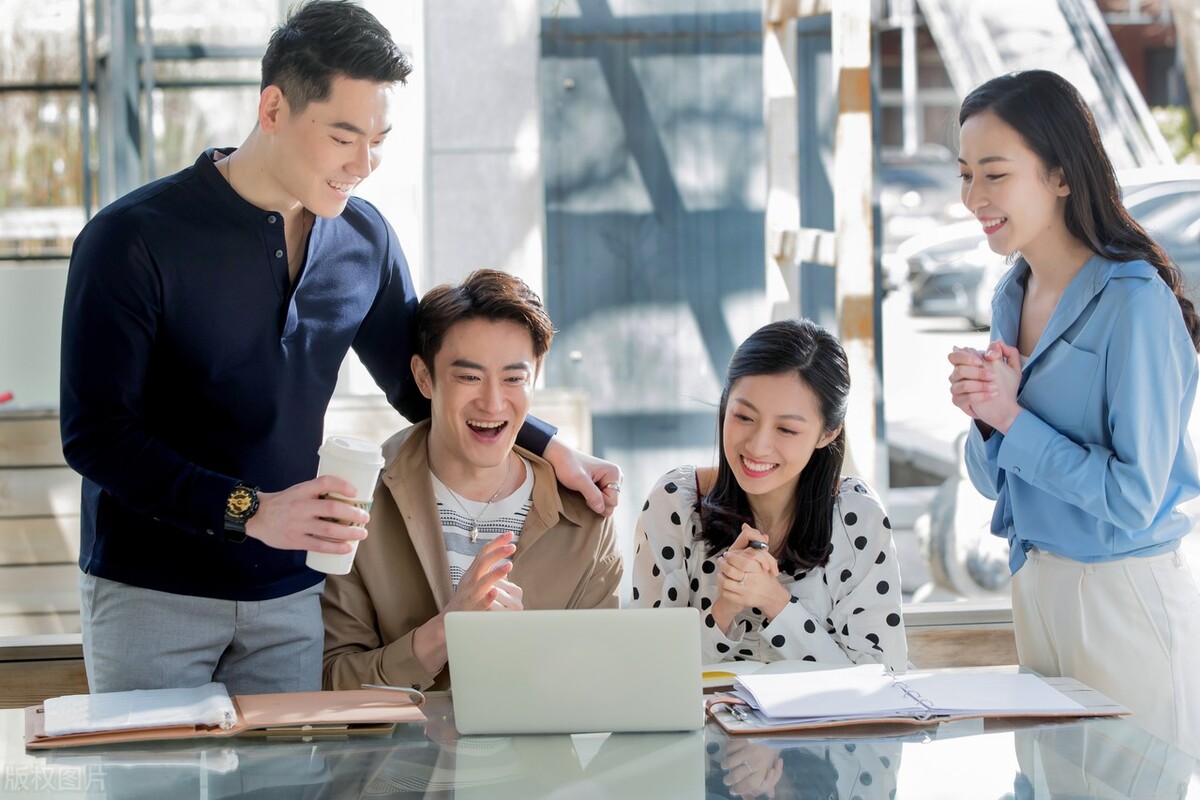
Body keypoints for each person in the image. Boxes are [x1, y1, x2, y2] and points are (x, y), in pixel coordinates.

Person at [59, 0, 619, 696]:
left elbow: (419, 384)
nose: (365, 163)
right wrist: (251, 510)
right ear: (273, 109)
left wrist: (549, 446)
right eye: (344, 136)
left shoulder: (364, 240)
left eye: (378, 138)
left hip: (292, 596)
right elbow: (95, 436)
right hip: (151, 591)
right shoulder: (132, 240)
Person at [947, 69, 1200, 756]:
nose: (973, 197)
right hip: (1036, 588)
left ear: (1061, 175)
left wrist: (1011, 419)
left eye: (994, 174)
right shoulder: (1011, 295)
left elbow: (1136, 497)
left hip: (1123, 601)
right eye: (966, 174)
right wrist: (983, 415)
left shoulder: (1134, 302)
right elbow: (995, 481)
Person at [321, 269, 623, 692]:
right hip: (391, 759)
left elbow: (603, 688)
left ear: (535, 377)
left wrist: (520, 648)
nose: (492, 401)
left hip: (536, 759)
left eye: (514, 379)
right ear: (424, 378)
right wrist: (441, 634)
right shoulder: (356, 498)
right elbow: (328, 683)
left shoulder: (587, 516)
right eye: (468, 377)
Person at [630, 318, 907, 670]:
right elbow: (651, 671)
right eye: (744, 417)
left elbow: (882, 679)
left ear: (827, 434)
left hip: (827, 727)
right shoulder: (675, 502)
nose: (758, 446)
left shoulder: (857, 516)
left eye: (787, 429)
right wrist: (725, 608)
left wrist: (774, 601)